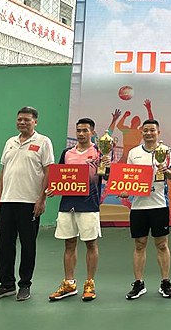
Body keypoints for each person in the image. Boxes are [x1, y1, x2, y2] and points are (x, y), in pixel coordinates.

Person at [0, 106, 54, 302]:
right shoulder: (10, 142)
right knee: (5, 244)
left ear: (35, 122)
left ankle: (25, 285)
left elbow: (48, 171)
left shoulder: (43, 142)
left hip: (29, 202)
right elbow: (4, 172)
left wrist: (42, 199)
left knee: (28, 245)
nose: (22, 122)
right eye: (19, 119)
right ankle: (6, 285)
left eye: (27, 120)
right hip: (8, 202)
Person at [46, 118, 107, 302]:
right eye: (78, 130)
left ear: (92, 133)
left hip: (89, 205)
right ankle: (69, 283)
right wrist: (52, 188)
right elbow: (58, 176)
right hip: (67, 206)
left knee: (91, 244)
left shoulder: (99, 152)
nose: (81, 134)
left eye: (85, 130)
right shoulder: (67, 153)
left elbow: (108, 176)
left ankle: (89, 283)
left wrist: (106, 165)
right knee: (69, 244)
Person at [124, 119, 171, 300]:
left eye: (152, 130)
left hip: (159, 205)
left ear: (158, 133)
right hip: (138, 206)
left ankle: (165, 282)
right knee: (139, 244)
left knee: (162, 244)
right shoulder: (134, 153)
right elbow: (128, 178)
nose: (149, 133)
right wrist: (124, 190)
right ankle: (138, 283)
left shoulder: (167, 151)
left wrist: (165, 169)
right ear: (142, 132)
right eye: (145, 130)